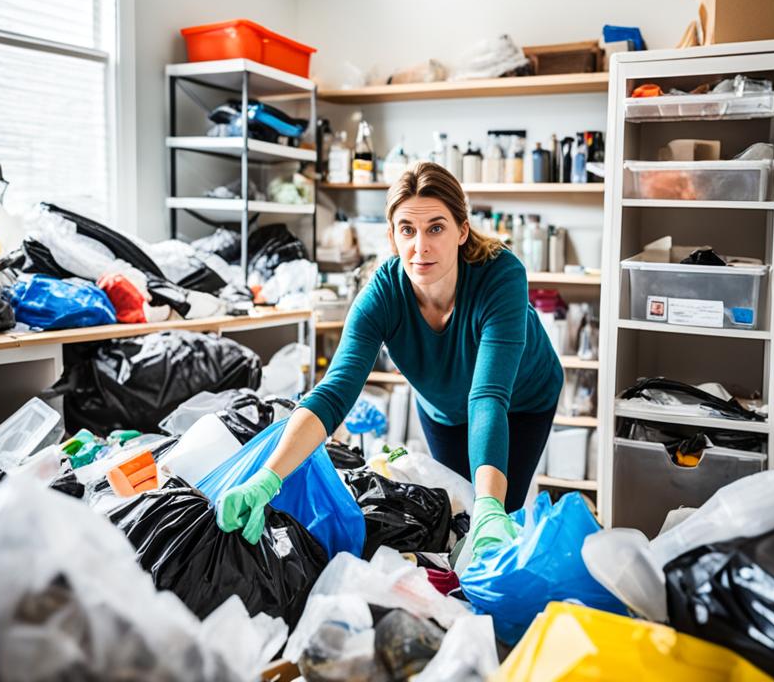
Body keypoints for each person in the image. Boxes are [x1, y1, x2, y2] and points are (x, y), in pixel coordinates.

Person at [216, 162, 564, 556]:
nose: (420, 246)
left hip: (520, 401)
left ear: (462, 230)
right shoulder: (382, 295)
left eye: (436, 228)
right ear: (393, 236)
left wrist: (489, 505)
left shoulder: (500, 275)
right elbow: (333, 394)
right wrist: (267, 477)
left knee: (496, 511)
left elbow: (488, 396)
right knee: (458, 512)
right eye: (407, 230)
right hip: (444, 409)